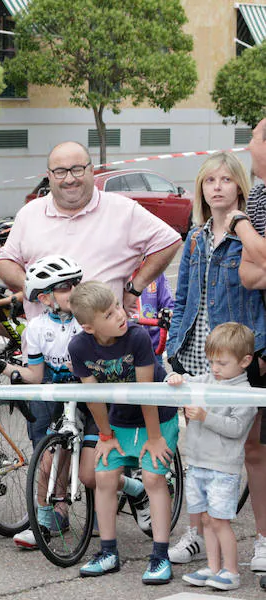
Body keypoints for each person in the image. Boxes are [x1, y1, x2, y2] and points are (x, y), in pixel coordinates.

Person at [0, 257, 143, 550]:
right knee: (48, 457)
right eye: (66, 287)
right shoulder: (37, 328)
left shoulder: (88, 324)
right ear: (44, 298)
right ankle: (43, 520)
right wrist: (2, 367)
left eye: (77, 282)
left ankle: (135, 489)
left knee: (90, 475)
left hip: (92, 398)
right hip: (58, 397)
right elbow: (35, 374)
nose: (75, 289)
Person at [165, 151, 266, 565]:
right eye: (210, 180)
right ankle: (195, 532)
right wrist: (173, 350)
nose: (218, 186)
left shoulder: (249, 233)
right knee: (199, 449)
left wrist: (259, 350)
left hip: (239, 354)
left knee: (253, 451)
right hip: (195, 353)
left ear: (239, 186)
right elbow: (184, 296)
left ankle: (262, 540)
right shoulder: (194, 238)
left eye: (226, 179)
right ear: (201, 189)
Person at [68, 281, 179, 584]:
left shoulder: (138, 337)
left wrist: (155, 438)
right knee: (103, 477)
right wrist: (105, 435)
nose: (120, 315)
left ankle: (159, 555)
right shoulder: (79, 347)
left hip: (156, 416)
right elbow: (93, 397)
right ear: (90, 327)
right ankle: (108, 552)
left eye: (117, 306)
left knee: (154, 478)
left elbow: (147, 393)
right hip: (118, 419)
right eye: (109, 313)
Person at [0, 141, 181, 322]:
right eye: (60, 172)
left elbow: (169, 241)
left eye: (77, 169)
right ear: (49, 176)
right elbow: (6, 262)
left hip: (103, 346)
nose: (69, 179)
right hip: (44, 346)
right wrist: (36, 288)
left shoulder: (122, 209)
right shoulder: (29, 213)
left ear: (92, 170)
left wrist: (135, 288)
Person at [166, 323, 258, 592]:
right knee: (206, 519)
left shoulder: (246, 393)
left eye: (222, 363)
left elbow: (236, 428)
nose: (215, 368)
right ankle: (213, 567)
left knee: (220, 521)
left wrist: (205, 417)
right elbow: (179, 382)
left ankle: (231, 570)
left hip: (223, 467)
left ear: (245, 361)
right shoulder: (207, 379)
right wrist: (175, 379)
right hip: (197, 463)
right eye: (212, 362)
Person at [223, 117, 266, 581]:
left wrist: (241, 228)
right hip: (263, 338)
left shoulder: (248, 208)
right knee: (256, 448)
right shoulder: (258, 196)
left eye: (253, 137)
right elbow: (250, 275)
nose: (248, 144)